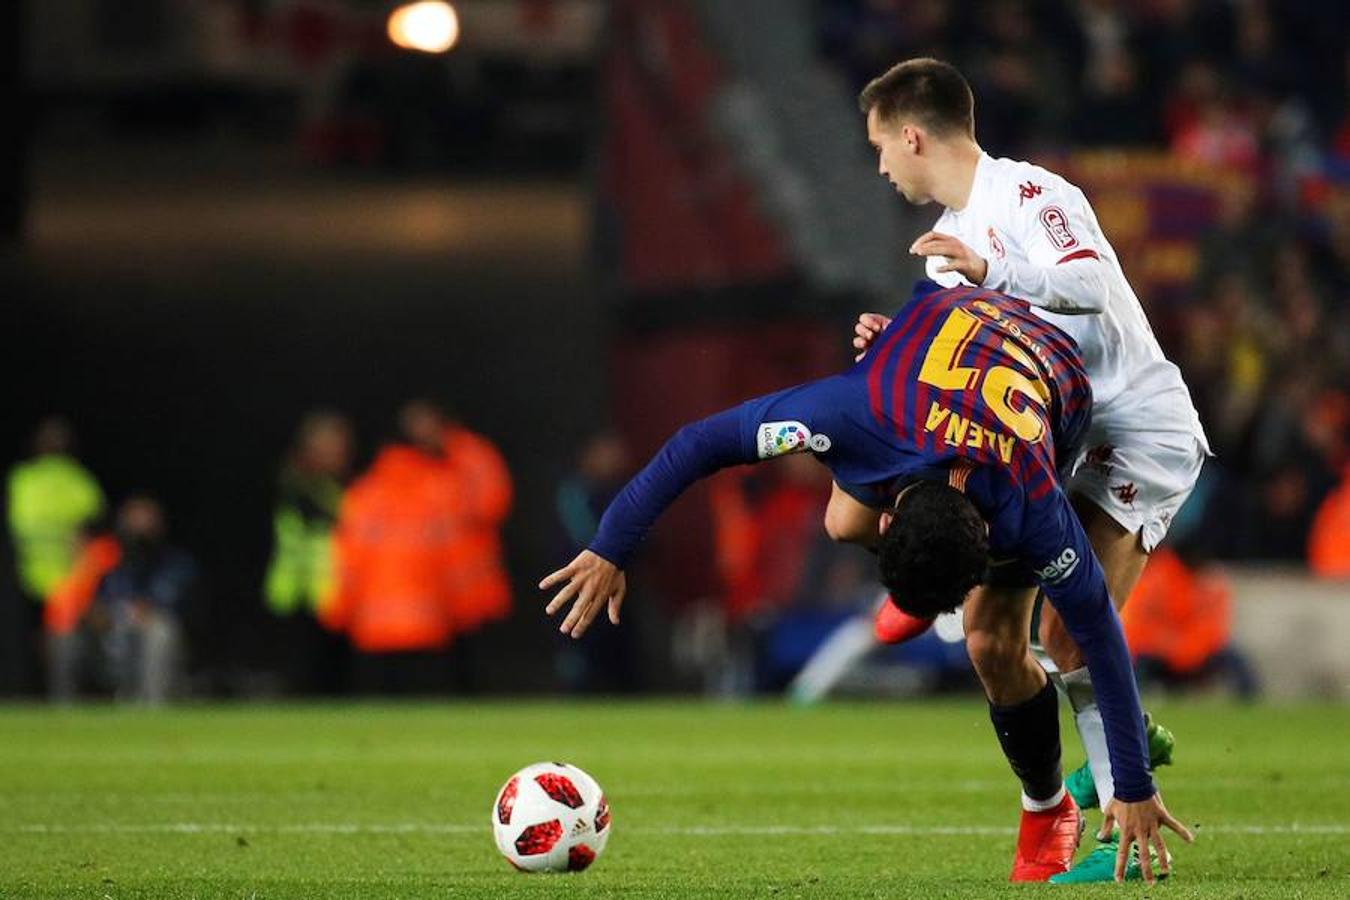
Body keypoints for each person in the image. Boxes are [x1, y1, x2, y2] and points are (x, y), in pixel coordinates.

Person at [542, 283, 1192, 884]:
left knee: (989, 643)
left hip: (1054, 386)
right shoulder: (841, 414)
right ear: (891, 517)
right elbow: (698, 445)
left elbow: (1100, 630)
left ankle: (1045, 810)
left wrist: (1132, 785)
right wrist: (610, 545)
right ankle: (928, 606)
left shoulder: (1035, 506)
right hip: (939, 339)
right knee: (838, 521)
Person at [848, 58, 1209, 883]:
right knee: (986, 639)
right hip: (1050, 447)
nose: (879, 166)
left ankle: (1124, 831)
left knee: (1068, 632)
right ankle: (1065, 778)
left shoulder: (1030, 196)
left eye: (879, 146)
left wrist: (990, 272)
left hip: (1135, 429)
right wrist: (890, 341)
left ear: (912, 134)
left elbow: (1087, 281)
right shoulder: (943, 254)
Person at [46, 496, 198, 704]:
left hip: (144, 634)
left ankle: (153, 705)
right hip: (105, 635)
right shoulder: (103, 556)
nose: (140, 528)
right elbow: (78, 600)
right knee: (65, 635)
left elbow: (175, 604)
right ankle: (64, 708)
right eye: (134, 520)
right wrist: (95, 612)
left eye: (147, 521)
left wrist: (144, 611)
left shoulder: (175, 563)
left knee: (162, 630)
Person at [5, 417, 106, 694]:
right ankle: (47, 693)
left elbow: (89, 533)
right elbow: (91, 529)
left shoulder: (26, 478)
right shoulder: (72, 480)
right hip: (47, 574)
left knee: (58, 638)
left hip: (38, 574)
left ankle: (59, 695)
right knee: (53, 639)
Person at [264, 411, 354, 694]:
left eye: (336, 446)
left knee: (337, 674)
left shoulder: (351, 485)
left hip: (339, 591)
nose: (331, 453)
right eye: (324, 445)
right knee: (300, 673)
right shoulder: (294, 485)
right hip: (297, 591)